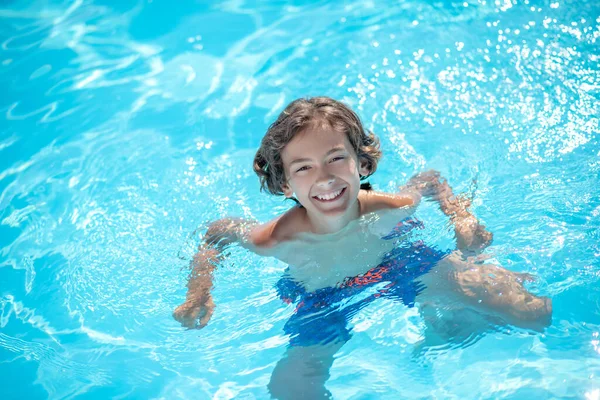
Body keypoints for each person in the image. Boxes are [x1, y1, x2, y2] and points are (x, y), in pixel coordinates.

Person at [173, 97, 552, 399]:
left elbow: (430, 181)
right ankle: (450, 322)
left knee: (528, 310)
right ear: (285, 184)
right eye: (303, 168)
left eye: (336, 158)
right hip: (323, 296)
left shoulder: (390, 207)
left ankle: (450, 322)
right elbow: (218, 232)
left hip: (398, 263)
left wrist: (461, 217)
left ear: (362, 164)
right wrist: (199, 290)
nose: (324, 177)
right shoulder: (274, 238)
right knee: (290, 388)